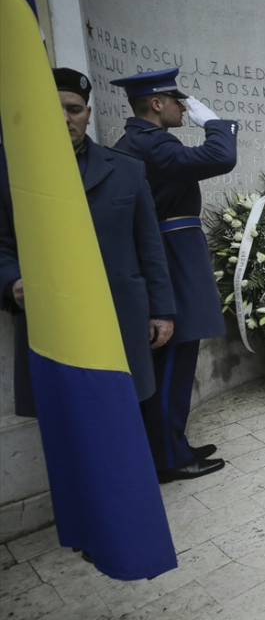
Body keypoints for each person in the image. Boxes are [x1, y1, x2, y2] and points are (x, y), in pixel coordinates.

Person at [0, 68, 178, 578]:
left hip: (121, 324)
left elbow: (149, 244)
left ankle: (128, 525)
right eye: (52, 109)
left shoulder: (124, 169)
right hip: (54, 331)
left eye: (73, 110)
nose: (64, 119)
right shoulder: (12, 169)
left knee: (127, 425)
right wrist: (12, 281)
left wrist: (161, 309)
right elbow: (2, 245)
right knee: (69, 431)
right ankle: (81, 526)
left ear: (88, 114)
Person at [111, 67, 237, 482]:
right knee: (171, 360)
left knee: (178, 357)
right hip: (169, 256)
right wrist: (215, 123)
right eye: (177, 101)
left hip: (174, 252)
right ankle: (167, 457)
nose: (184, 108)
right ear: (156, 103)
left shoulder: (142, 141)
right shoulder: (151, 142)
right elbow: (221, 156)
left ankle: (172, 443)